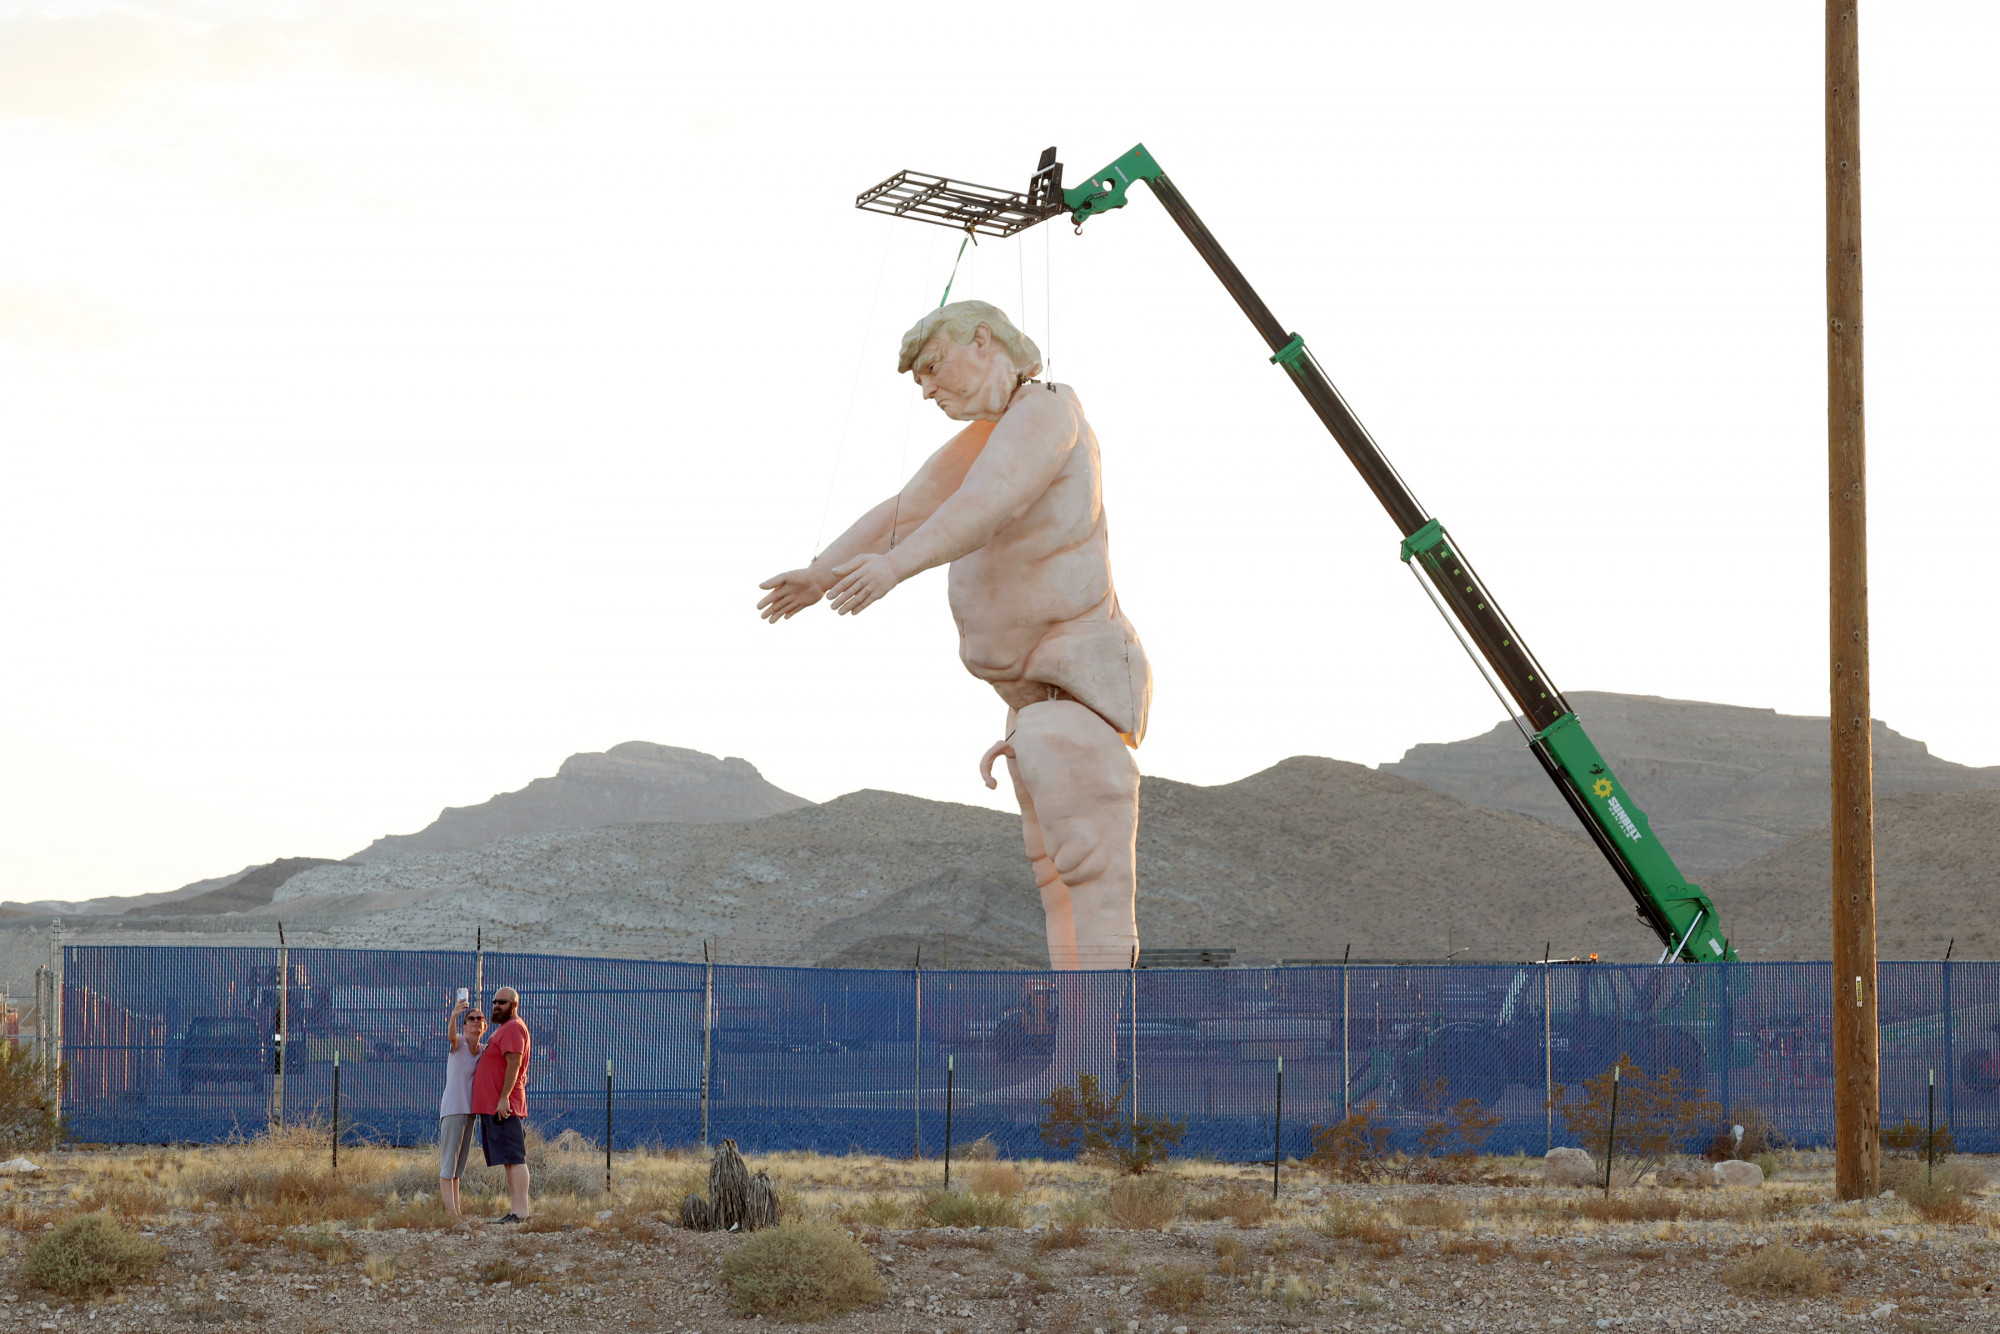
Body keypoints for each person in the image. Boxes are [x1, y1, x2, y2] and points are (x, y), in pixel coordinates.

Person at [757, 301, 1150, 975]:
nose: (930, 388)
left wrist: (894, 568)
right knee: (1060, 888)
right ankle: (1076, 1072)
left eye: (935, 368)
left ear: (983, 341)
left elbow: (989, 501)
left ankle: (1092, 1072)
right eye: (921, 381)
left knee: (1091, 883)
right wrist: (823, 574)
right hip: (1033, 706)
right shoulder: (993, 435)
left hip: (1077, 689)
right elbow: (907, 510)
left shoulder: (1049, 410)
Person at [471, 986, 532, 1223]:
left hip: (504, 1106)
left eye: (502, 1002)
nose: (496, 1006)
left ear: (514, 1005)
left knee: (515, 1158)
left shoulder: (514, 1028)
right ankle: (516, 1210)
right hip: (496, 1106)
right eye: (495, 1001)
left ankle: (521, 1212)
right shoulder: (505, 1029)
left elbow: (514, 1064)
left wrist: (504, 1098)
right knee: (509, 1158)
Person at [437, 998, 486, 1226]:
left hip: (470, 1113)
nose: (476, 1022)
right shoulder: (459, 1044)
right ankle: (450, 1215)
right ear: (465, 1025)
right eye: (471, 1019)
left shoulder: (483, 1050)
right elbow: (450, 1037)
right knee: (449, 1165)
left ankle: (457, 1212)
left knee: (458, 1168)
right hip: (454, 1110)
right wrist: (454, 1015)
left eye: (480, 1019)